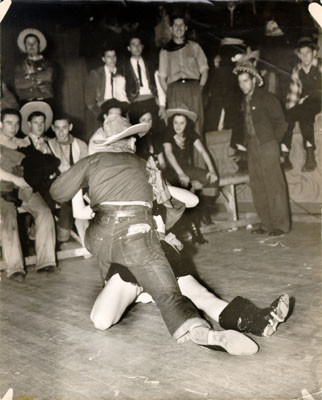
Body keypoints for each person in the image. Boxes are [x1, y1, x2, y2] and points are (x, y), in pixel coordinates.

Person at [50, 112, 259, 356]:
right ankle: (198, 330)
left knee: (102, 319)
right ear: (130, 142)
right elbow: (180, 206)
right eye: (135, 139)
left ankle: (125, 288)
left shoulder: (93, 161)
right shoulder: (144, 167)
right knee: (168, 294)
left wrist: (78, 180)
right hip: (138, 239)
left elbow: (57, 193)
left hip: (99, 238)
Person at [71, 182, 290, 341]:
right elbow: (79, 211)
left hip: (161, 259)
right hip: (129, 264)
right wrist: (77, 181)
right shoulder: (110, 203)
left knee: (204, 297)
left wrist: (158, 181)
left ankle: (257, 320)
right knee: (101, 321)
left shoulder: (153, 196)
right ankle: (143, 294)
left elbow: (192, 200)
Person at [233, 62, 291, 237]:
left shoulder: (267, 98)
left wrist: (272, 142)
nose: (243, 85)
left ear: (254, 80)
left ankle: (281, 225)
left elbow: (282, 124)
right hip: (252, 148)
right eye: (240, 82)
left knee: (274, 185)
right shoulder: (245, 100)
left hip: (267, 146)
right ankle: (266, 224)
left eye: (245, 81)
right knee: (258, 186)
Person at [0, 108, 57, 280]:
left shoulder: (22, 143)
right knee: (8, 217)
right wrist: (15, 179)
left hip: (23, 189)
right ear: (0, 123)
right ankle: (14, 268)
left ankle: (46, 262)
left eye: (17, 124)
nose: (13, 127)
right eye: (9, 123)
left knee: (45, 212)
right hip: (2, 190)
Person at [163, 106, 218, 243]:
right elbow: (169, 155)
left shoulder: (191, 134)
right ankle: (195, 231)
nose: (178, 126)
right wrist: (180, 174)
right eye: (176, 122)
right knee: (186, 189)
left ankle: (204, 212)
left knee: (213, 179)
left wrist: (211, 170)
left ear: (187, 123)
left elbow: (203, 152)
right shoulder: (167, 134)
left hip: (187, 169)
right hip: (172, 171)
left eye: (182, 123)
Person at [158, 14, 208, 135]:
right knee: (178, 127)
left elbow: (204, 70)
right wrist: (170, 92)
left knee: (197, 125)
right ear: (171, 28)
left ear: (186, 28)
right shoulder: (165, 51)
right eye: (176, 25)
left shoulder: (195, 47)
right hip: (175, 90)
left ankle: (198, 154)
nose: (179, 28)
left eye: (181, 25)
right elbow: (162, 77)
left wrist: (200, 88)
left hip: (193, 89)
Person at [281, 36, 322, 172]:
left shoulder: (320, 66)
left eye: (308, 53)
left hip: (319, 100)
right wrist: (289, 111)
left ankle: (310, 155)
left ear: (314, 53)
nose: (305, 57)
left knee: (306, 110)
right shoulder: (297, 70)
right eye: (302, 54)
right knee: (288, 116)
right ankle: (285, 155)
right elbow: (293, 94)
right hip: (305, 103)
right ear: (299, 55)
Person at [48, 115, 88, 246]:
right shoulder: (48, 145)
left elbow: (84, 168)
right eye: (57, 128)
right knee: (70, 201)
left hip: (78, 184)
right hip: (56, 185)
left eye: (64, 128)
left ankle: (83, 239)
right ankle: (63, 237)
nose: (61, 132)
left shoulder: (80, 144)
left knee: (77, 199)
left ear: (70, 127)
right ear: (53, 128)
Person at [85, 46, 129, 121]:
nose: (112, 59)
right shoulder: (96, 74)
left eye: (114, 56)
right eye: (108, 56)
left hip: (120, 108)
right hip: (103, 109)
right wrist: (99, 114)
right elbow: (89, 100)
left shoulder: (123, 72)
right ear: (103, 59)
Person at [14, 29, 55, 108]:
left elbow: (48, 76)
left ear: (39, 45)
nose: (31, 45)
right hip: (26, 103)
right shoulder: (20, 66)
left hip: (46, 102)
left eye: (34, 42)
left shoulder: (48, 63)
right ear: (25, 46)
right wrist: (38, 78)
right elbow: (19, 84)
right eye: (28, 43)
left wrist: (29, 77)